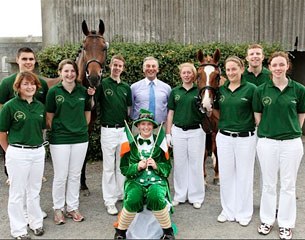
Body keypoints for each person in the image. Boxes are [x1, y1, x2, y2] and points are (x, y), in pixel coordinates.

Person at [253, 51, 305, 240]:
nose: (278, 68)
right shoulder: (261, 90)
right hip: (267, 142)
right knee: (268, 184)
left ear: (287, 66)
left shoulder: (298, 89)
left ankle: (286, 224)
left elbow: (301, 114)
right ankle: (267, 220)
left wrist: (290, 131)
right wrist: (270, 130)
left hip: (291, 144)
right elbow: (257, 115)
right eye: (274, 65)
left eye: (281, 64)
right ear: (270, 67)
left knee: (288, 185)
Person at [0, 47, 49, 219]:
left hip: (35, 145)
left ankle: (33, 215)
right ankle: (20, 221)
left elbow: (42, 113)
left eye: (31, 59)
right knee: (17, 188)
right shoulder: (6, 84)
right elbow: (2, 119)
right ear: (18, 60)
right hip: (15, 143)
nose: (28, 62)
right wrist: (10, 151)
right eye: (25, 59)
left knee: (33, 186)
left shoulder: (41, 83)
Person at [45, 59, 95, 225]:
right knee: (60, 175)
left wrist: (80, 128)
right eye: (66, 71)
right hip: (59, 140)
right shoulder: (53, 92)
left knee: (74, 175)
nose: (69, 74)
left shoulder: (83, 91)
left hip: (80, 138)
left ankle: (72, 207)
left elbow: (87, 113)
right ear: (60, 72)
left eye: (72, 71)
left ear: (76, 73)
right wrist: (60, 130)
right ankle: (58, 208)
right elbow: (49, 117)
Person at [114, 109, 175, 239]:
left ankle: (168, 233)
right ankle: (120, 232)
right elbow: (124, 168)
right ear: (138, 126)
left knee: (156, 196)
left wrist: (157, 166)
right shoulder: (131, 144)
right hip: (135, 181)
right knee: (133, 198)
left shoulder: (159, 143)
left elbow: (167, 168)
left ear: (153, 126)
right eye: (143, 124)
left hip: (157, 180)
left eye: (149, 124)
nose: (146, 127)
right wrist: (137, 166)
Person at [215, 56, 257, 226]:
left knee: (244, 175)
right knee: (226, 175)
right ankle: (227, 210)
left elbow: (257, 113)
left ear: (241, 69)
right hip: (224, 137)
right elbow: (216, 111)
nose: (231, 72)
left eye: (234, 69)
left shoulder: (251, 89)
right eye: (228, 69)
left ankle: (244, 212)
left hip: (245, 138)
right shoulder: (222, 90)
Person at [166, 62, 205, 209]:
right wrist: (168, 133)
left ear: (194, 74)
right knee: (180, 164)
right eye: (184, 73)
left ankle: (196, 196)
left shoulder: (200, 91)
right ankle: (180, 195)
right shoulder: (175, 91)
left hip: (196, 131)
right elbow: (170, 113)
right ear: (180, 74)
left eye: (189, 73)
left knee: (195, 164)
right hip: (178, 131)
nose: (187, 75)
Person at [96, 54, 132, 215]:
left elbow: (129, 110)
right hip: (108, 130)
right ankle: (109, 200)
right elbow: (93, 103)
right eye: (115, 65)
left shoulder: (126, 87)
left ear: (123, 69)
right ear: (110, 66)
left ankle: (120, 194)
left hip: (123, 130)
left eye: (120, 66)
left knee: (121, 165)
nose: (117, 68)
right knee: (109, 167)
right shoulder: (102, 84)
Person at [130, 56, 171, 125]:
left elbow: (170, 109)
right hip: (139, 128)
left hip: (160, 128)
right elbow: (131, 107)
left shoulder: (167, 88)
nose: (151, 68)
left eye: (153, 66)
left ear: (158, 69)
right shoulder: (134, 87)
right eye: (148, 66)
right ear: (143, 69)